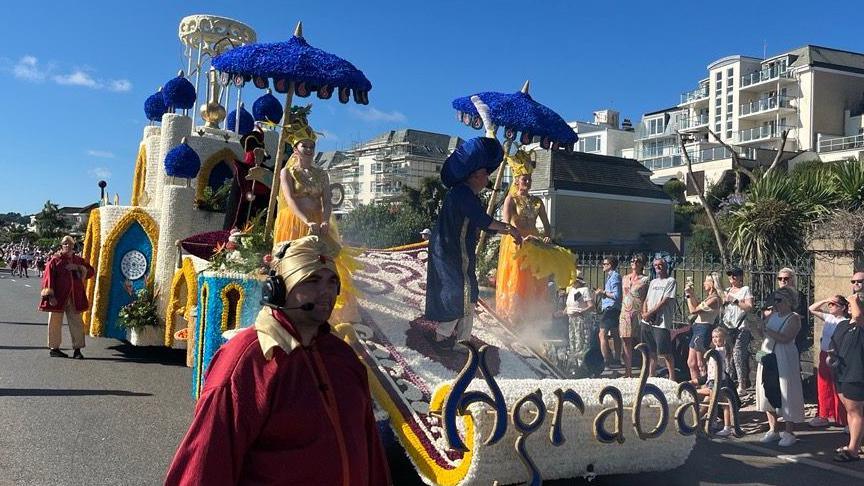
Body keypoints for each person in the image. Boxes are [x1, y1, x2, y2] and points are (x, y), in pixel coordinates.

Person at [165, 236, 391, 485]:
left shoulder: (343, 358)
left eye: (332, 281)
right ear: (278, 289)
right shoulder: (246, 361)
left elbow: (370, 451)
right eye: (312, 281)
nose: (326, 291)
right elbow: (204, 465)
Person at [425, 137, 522, 353]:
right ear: (475, 175)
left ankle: (461, 340)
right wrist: (510, 229)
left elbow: (483, 224)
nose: (487, 178)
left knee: (467, 292)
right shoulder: (462, 193)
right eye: (485, 174)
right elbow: (484, 221)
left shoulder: (464, 193)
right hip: (453, 250)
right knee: (461, 291)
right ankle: (446, 338)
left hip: (455, 250)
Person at [495, 148, 552, 327]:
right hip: (516, 243)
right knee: (517, 280)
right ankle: (512, 319)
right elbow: (506, 225)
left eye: (529, 179)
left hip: (534, 244)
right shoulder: (511, 199)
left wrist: (547, 237)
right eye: (524, 179)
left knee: (534, 281)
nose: (527, 182)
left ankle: (531, 319)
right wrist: (518, 237)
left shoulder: (537, 202)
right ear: (517, 181)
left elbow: (547, 225)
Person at [756, 287, 805, 447]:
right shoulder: (773, 315)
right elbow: (762, 334)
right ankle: (773, 428)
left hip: (784, 357)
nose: (775, 304)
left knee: (786, 391)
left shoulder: (794, 318)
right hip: (768, 354)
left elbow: (785, 338)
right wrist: (759, 327)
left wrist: (767, 330)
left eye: (779, 300)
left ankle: (789, 431)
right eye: (774, 300)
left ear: (789, 301)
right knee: (766, 389)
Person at [38, 235, 94, 359]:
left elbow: (91, 272)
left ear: (73, 246)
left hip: (74, 297)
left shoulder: (78, 260)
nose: (67, 246)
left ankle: (77, 350)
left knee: (77, 323)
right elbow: (48, 279)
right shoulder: (55, 260)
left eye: (70, 244)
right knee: (54, 322)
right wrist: (50, 295)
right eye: (65, 244)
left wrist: (78, 268)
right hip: (58, 297)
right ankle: (54, 348)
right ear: (61, 246)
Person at [828, 271, 864, 461]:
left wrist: (853, 299)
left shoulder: (860, 317)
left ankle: (853, 450)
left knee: (856, 411)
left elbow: (858, 317)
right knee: (851, 412)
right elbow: (834, 345)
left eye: (860, 281)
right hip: (841, 372)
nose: (856, 284)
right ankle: (856, 443)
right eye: (853, 281)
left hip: (856, 372)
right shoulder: (843, 325)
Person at [808, 295, 850, 428]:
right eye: (830, 305)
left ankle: (843, 418)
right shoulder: (829, 318)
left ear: (843, 308)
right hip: (824, 353)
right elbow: (812, 308)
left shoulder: (845, 322)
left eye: (834, 304)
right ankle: (824, 415)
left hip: (837, 356)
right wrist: (826, 300)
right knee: (823, 385)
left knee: (838, 387)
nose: (830, 306)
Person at [641, 258, 678, 381]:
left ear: (666, 266)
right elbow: (646, 299)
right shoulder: (653, 282)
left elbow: (665, 301)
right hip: (647, 321)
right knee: (650, 351)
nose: (658, 267)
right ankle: (651, 375)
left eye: (660, 265)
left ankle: (672, 377)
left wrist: (651, 312)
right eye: (656, 265)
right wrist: (645, 313)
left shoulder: (670, 281)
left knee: (665, 351)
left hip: (661, 321)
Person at [721, 267, 754, 396]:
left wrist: (734, 301)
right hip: (728, 325)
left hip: (740, 327)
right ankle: (728, 382)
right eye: (730, 276)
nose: (732, 278)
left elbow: (749, 307)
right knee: (727, 354)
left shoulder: (745, 290)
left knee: (738, 355)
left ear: (740, 277)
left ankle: (742, 385)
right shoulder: (727, 290)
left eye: (734, 276)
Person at [685, 273, 722, 383]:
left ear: (713, 284)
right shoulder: (709, 297)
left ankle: (706, 386)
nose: (704, 283)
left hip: (704, 328)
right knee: (691, 362)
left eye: (706, 281)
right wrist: (691, 294)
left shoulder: (714, 299)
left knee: (701, 362)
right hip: (697, 327)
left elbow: (693, 310)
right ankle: (695, 387)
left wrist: (687, 296)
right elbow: (697, 305)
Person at [698, 327, 735, 437]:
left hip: (719, 380)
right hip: (712, 380)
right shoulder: (716, 350)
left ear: (724, 338)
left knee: (719, 402)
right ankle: (711, 422)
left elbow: (712, 353)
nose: (715, 339)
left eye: (717, 337)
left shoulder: (721, 350)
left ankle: (726, 426)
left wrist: (701, 346)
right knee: (711, 402)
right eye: (713, 337)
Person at [619, 254, 649, 378]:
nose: (634, 263)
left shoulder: (645, 279)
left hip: (637, 311)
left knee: (640, 340)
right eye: (632, 261)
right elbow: (623, 295)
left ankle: (645, 368)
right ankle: (628, 371)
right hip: (625, 311)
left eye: (638, 261)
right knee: (625, 340)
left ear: (642, 264)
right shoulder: (625, 278)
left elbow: (647, 297)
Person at [564, 271, 595, 377]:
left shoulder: (584, 290)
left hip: (580, 319)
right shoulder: (573, 290)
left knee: (580, 342)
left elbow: (591, 306)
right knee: (572, 342)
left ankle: (581, 367)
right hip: (571, 319)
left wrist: (581, 312)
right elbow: (570, 305)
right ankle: (574, 366)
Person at [596, 256, 622, 372]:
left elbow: (616, 295)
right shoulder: (610, 277)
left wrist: (604, 292)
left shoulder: (615, 276)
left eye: (604, 263)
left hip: (610, 309)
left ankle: (606, 361)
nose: (602, 265)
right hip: (612, 308)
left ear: (610, 265)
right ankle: (616, 359)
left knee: (602, 334)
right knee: (615, 333)